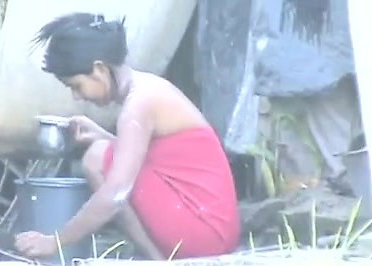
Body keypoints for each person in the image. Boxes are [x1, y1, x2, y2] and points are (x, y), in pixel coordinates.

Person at [15, 12, 240, 260]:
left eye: (76, 86)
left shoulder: (139, 105)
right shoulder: (147, 88)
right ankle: (157, 257)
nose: (78, 97)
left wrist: (55, 241)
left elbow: (115, 194)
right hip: (214, 231)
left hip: (203, 233)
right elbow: (156, 163)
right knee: (103, 151)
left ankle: (155, 258)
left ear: (99, 70)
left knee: (97, 159)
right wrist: (102, 135)